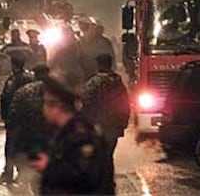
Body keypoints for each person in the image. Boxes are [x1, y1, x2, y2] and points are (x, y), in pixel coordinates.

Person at [31, 76, 106, 195]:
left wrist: (50, 167)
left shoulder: (82, 135)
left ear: (57, 106)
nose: (43, 108)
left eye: (46, 103)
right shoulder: (64, 132)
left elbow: (86, 175)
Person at [81, 54, 130, 194]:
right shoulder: (118, 82)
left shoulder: (92, 83)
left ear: (99, 65)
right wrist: (123, 123)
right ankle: (108, 184)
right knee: (108, 155)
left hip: (98, 127)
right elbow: (125, 104)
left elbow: (85, 105)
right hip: (113, 126)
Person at [7, 65, 51, 188]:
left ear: (34, 75)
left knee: (32, 176)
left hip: (29, 139)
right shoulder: (57, 91)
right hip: (50, 140)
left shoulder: (23, 91)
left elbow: (13, 116)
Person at [0, 58, 34, 185]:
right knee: (21, 146)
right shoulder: (29, 78)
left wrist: (6, 116)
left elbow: (6, 97)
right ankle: (21, 174)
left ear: (14, 65)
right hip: (24, 118)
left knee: (11, 147)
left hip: (15, 118)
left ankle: (10, 174)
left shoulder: (14, 79)